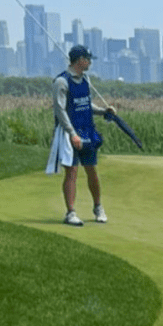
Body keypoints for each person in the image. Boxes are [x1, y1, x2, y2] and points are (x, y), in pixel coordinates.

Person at [47, 44, 114, 227]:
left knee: (92, 169)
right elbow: (60, 111)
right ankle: (71, 212)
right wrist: (72, 134)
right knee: (72, 172)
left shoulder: (86, 79)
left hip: (88, 130)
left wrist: (103, 111)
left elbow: (85, 105)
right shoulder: (61, 82)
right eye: (88, 59)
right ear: (80, 60)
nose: (90, 63)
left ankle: (98, 207)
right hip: (70, 133)